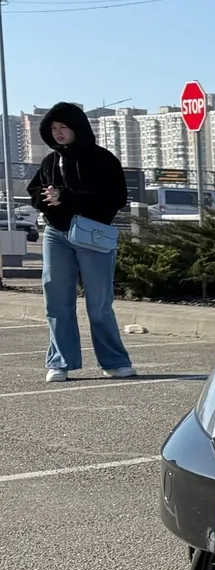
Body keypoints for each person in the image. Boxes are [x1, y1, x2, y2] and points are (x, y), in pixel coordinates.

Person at [28, 103, 134, 382]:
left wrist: (69, 198)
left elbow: (116, 198)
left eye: (63, 127)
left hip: (93, 235)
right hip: (56, 234)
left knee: (98, 303)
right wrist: (45, 198)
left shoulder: (103, 159)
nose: (58, 133)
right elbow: (35, 192)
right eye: (53, 129)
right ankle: (60, 362)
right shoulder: (50, 161)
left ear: (78, 127)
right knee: (57, 301)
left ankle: (114, 361)